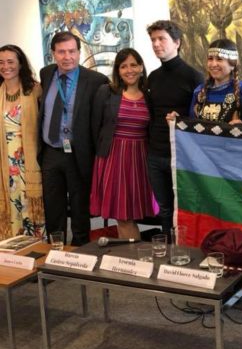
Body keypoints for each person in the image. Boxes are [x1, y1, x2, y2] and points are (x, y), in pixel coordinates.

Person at [39, 31, 108, 246]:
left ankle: (81, 252)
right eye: (61, 52)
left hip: (79, 153)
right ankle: (55, 251)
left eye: (71, 51)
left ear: (79, 52)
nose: (67, 57)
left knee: (79, 208)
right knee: (53, 208)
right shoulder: (46, 74)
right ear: (53, 53)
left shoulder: (96, 81)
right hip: (51, 152)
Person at [90, 48, 157, 239]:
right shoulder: (106, 92)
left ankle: (131, 254)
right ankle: (133, 255)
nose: (129, 70)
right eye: (123, 66)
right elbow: (95, 127)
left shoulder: (150, 96)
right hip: (113, 159)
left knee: (130, 215)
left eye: (133, 65)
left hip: (140, 160)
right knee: (122, 216)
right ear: (118, 71)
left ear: (141, 67)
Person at [146, 20, 203, 239]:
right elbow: (151, 115)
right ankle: (168, 250)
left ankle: (184, 251)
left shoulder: (194, 76)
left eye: (162, 39)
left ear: (177, 42)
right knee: (164, 210)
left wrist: (182, 120)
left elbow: (200, 119)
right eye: (153, 40)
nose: (156, 44)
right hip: (155, 153)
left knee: (183, 209)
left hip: (181, 155)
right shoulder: (153, 77)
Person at [0, 45, 45, 240]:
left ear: (20, 64)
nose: (5, 66)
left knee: (28, 205)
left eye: (10, 62)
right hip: (4, 164)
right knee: (10, 206)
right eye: (1, 62)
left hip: (29, 161)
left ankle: (36, 249)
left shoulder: (35, 90)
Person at [190, 39, 242, 123]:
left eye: (219, 59)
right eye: (210, 59)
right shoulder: (199, 91)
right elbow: (191, 125)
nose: (213, 64)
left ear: (232, 64)